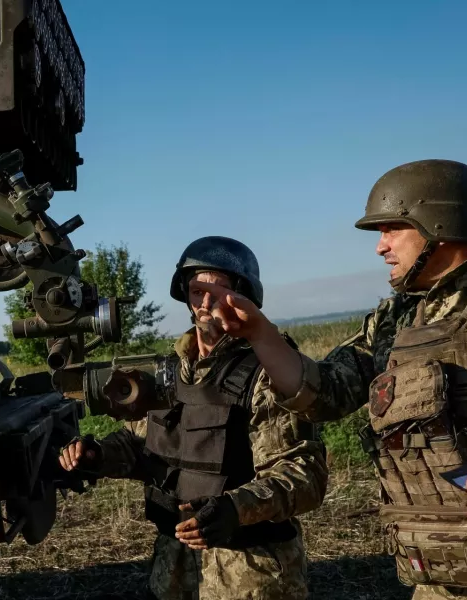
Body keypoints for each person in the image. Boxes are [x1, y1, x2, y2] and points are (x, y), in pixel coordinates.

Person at [167, 160, 467, 600]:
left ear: (439, 223)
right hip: (445, 573)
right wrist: (258, 333)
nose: (380, 247)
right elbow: (325, 393)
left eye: (391, 229)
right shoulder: (398, 319)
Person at [59, 236, 329, 600]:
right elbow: (141, 443)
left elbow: (303, 474)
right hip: (175, 566)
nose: (205, 304)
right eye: (195, 291)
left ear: (244, 296)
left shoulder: (267, 371)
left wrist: (235, 508)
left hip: (249, 570)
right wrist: (95, 455)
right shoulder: (170, 372)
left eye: (218, 292)